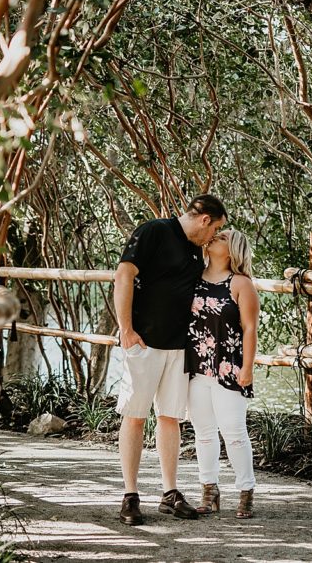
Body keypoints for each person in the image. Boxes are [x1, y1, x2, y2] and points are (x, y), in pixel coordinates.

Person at [114, 194, 228, 526]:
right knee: (135, 417)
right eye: (216, 228)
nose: (214, 236)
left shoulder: (197, 250)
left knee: (170, 418)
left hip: (179, 347)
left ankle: (169, 493)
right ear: (205, 219)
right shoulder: (153, 231)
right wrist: (126, 330)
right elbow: (123, 276)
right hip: (144, 342)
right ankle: (131, 495)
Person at [185, 229, 259, 519]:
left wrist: (248, 367)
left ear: (232, 250)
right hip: (196, 368)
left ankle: (246, 492)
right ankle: (209, 490)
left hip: (229, 367)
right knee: (203, 434)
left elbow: (250, 329)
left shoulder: (241, 283)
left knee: (234, 433)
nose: (215, 237)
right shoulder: (194, 278)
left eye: (223, 236)